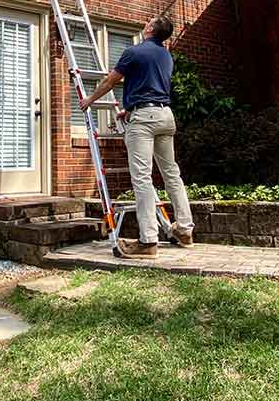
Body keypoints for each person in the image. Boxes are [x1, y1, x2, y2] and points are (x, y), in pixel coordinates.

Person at [80, 14, 194, 259]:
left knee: (141, 177)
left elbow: (111, 81)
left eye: (148, 22)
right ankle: (185, 230)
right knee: (172, 174)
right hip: (165, 116)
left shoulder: (134, 52)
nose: (145, 24)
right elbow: (151, 85)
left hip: (144, 119)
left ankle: (148, 241)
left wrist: (90, 99)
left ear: (151, 28)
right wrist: (130, 108)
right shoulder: (166, 56)